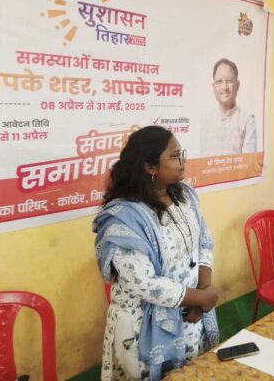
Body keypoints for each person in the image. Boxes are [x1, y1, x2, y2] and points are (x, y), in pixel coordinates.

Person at [94, 126, 219, 381]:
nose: (182, 161)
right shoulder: (124, 218)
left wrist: (204, 290)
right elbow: (145, 283)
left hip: (189, 314)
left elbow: (203, 243)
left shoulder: (185, 197)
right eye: (174, 156)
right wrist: (200, 298)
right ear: (150, 167)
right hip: (143, 328)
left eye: (181, 153)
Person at [200, 58, 257, 156]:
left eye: (229, 81)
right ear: (213, 87)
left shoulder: (248, 120)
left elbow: (249, 163)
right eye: (219, 81)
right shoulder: (206, 122)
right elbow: (203, 161)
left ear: (238, 85)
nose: (225, 87)